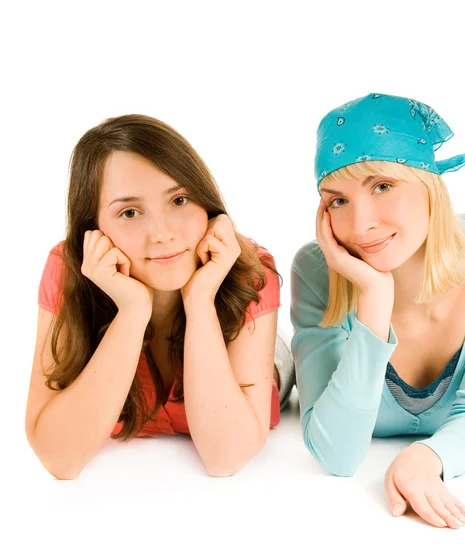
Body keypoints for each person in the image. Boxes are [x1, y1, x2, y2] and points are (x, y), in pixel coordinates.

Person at [290, 93, 465, 529]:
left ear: (430, 184)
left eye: (382, 186)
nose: (360, 224)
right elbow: (337, 454)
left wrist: (428, 456)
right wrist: (372, 299)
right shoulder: (316, 271)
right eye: (336, 200)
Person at [25, 114, 295, 480]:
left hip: (261, 354)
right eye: (130, 212)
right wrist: (133, 310)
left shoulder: (248, 270)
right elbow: (59, 459)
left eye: (180, 199)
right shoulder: (68, 270)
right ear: (94, 229)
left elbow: (225, 458)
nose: (163, 234)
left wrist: (200, 301)